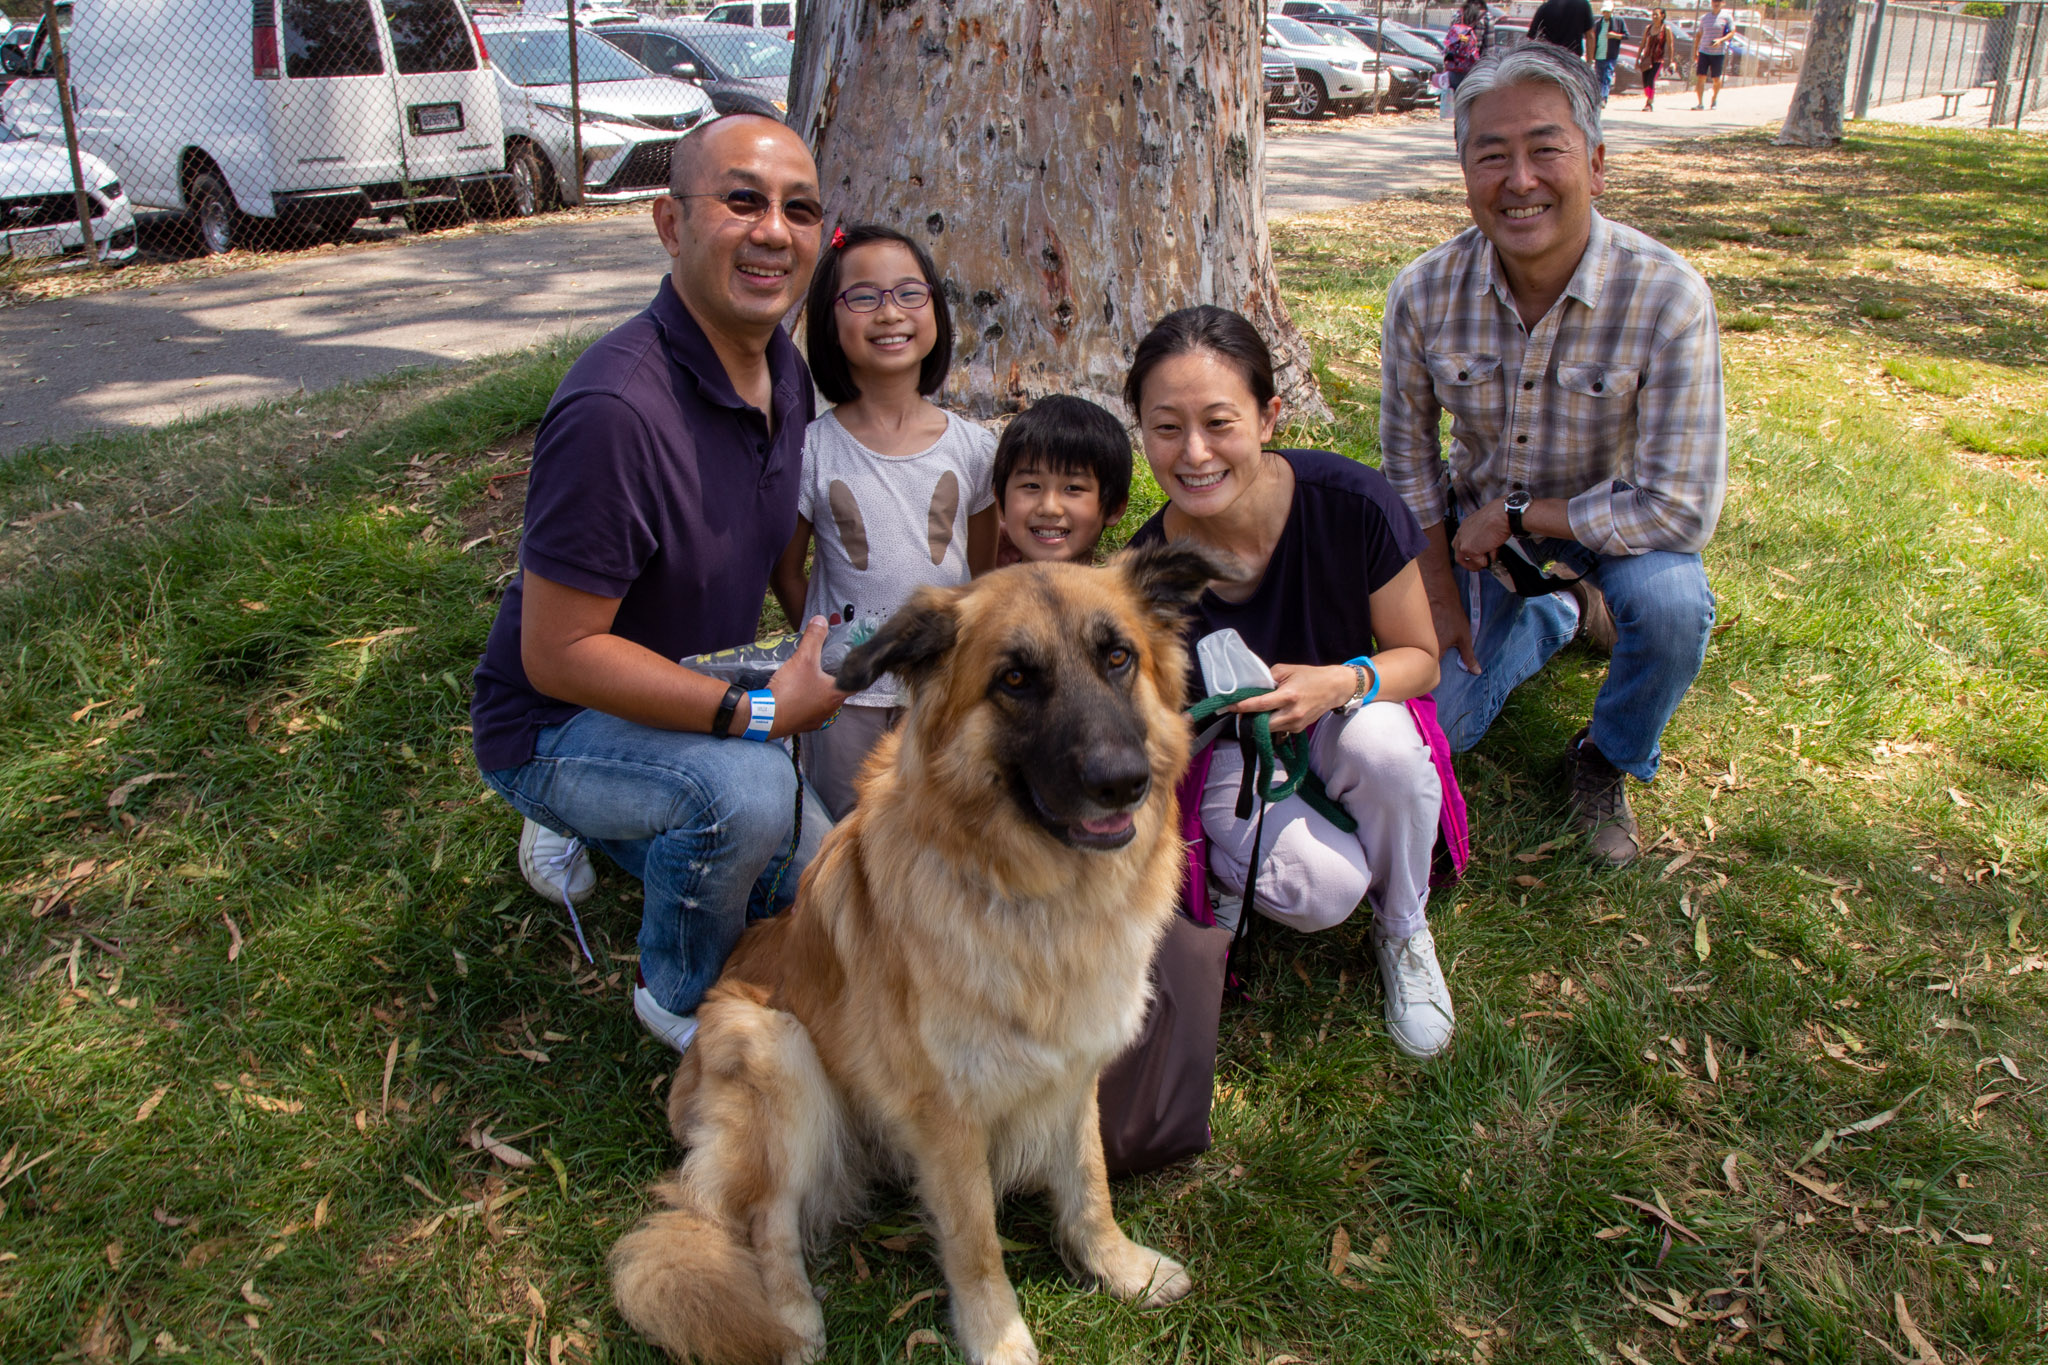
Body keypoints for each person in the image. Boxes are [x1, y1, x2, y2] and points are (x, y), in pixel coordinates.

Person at [469, 114, 848, 1055]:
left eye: (799, 210)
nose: (773, 231)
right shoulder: (615, 412)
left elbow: (764, 536)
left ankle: (628, 822)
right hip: (549, 724)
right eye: (741, 201)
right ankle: (674, 992)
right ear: (670, 224)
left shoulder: (781, 368)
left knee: (832, 884)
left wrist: (825, 652)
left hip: (684, 685)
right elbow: (555, 654)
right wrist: (757, 716)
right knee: (750, 799)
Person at [1378, 43, 1725, 869]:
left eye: (1545, 148)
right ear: (1464, 172)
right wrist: (1437, 592)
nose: (1518, 179)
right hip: (1479, 537)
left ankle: (1605, 758)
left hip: (1619, 528)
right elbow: (1407, 465)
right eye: (1490, 155)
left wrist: (1523, 516)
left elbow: (1680, 507)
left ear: (1597, 165)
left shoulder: (1668, 295)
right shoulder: (1422, 293)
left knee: (1674, 610)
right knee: (1444, 724)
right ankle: (1557, 610)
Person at [1125, 306, 1458, 1061]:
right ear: (1140, 429)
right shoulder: (1147, 578)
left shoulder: (1352, 502)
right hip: (1234, 758)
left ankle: (1405, 927)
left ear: (1269, 416)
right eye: (1166, 428)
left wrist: (1339, 682)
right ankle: (1325, 856)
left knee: (1387, 745)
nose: (1195, 453)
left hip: (1345, 710)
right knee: (1326, 891)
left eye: (1219, 422)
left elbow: (1420, 658)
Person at [770, 224, 997, 820]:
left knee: (940, 815)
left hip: (941, 684)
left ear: (936, 311)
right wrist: (831, 649)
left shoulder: (974, 450)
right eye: (864, 297)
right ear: (830, 320)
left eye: (908, 293)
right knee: (846, 823)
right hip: (844, 693)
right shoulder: (812, 450)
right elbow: (787, 570)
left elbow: (985, 569)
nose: (889, 313)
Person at [990, 394, 1133, 568]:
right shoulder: (980, 594)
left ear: (1115, 508)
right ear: (1000, 501)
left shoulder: (1126, 595)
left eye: (1073, 488)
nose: (1050, 508)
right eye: (1031, 485)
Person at [1694, 0, 1736, 109]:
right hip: (1704, 51)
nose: (1716, 3)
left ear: (1723, 2)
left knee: (1716, 78)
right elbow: (1699, 34)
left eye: (1718, 1)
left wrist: (1720, 40)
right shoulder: (1705, 17)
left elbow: (1732, 32)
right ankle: (1700, 103)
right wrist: (1695, 50)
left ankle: (1714, 99)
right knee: (1701, 77)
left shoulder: (1727, 17)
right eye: (1714, 1)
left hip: (1718, 53)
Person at [1588, 0, 1630, 107]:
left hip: (1610, 55)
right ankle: (1598, 98)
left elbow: (1626, 35)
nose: (1606, 14)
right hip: (1599, 55)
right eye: (1604, 12)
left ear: (1612, 11)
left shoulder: (1618, 21)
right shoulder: (1598, 23)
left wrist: (1615, 35)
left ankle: (1604, 98)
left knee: (1607, 76)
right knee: (1599, 77)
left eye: (1608, 12)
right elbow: (1593, 39)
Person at [1525, 0, 1595, 57]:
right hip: (1573, 60)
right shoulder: (1583, 4)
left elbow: (1532, 35)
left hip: (1550, 58)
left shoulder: (1545, 7)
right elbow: (1590, 36)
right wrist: (1589, 62)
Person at [1637, 9, 1672, 111]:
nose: (1654, 17)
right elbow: (1643, 44)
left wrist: (1670, 61)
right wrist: (1638, 58)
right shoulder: (1648, 28)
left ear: (1662, 16)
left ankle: (1649, 102)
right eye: (1653, 15)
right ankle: (1650, 96)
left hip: (1658, 59)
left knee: (1651, 80)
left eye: (1656, 15)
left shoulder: (1666, 29)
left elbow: (1670, 46)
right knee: (1645, 82)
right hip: (1647, 59)